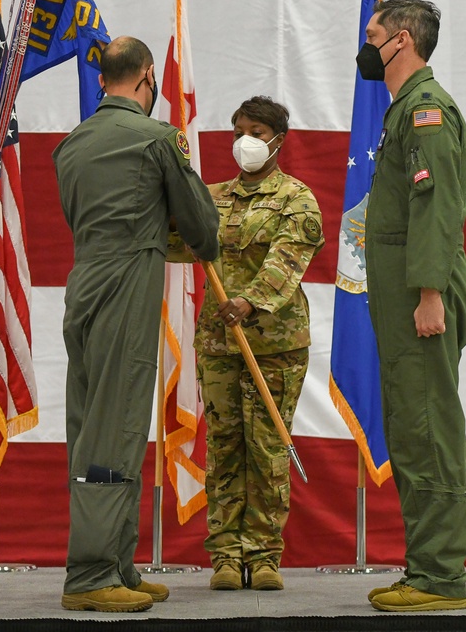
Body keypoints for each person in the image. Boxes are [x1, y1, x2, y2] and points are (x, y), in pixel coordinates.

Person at [52, 36, 220, 612]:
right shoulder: (155, 139)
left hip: (84, 286)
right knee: (117, 426)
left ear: (103, 79)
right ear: (147, 77)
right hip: (128, 283)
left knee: (91, 423)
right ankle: (92, 574)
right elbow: (199, 222)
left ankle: (118, 561)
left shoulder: (72, 144)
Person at [177, 95, 325, 592]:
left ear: (278, 140)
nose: (247, 140)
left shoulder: (297, 199)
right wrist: (168, 194)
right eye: (240, 130)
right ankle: (224, 554)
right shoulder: (212, 197)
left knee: (266, 448)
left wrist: (250, 301)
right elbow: (179, 241)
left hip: (275, 344)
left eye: (257, 131)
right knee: (223, 447)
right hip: (219, 344)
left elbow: (288, 260)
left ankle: (263, 555)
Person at [357, 0, 466, 612]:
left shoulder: (426, 112)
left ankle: (439, 577)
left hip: (420, 295)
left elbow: (437, 210)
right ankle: (425, 567)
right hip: (402, 292)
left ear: (401, 41)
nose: (366, 45)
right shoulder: (403, 110)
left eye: (372, 35)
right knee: (410, 424)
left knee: (427, 427)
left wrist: (430, 294)